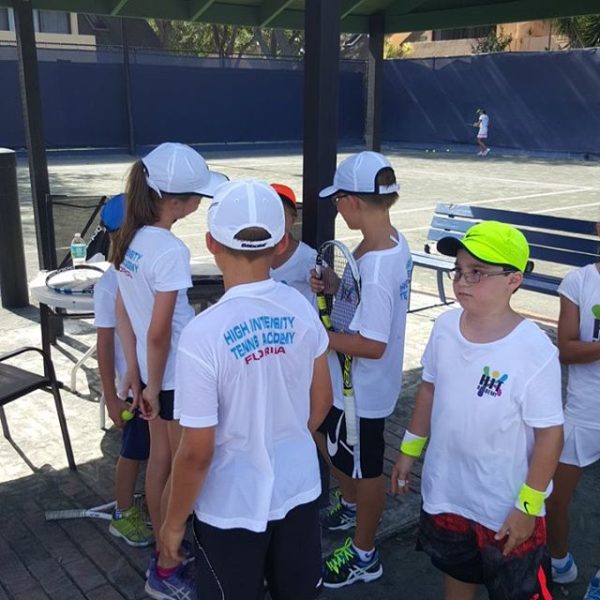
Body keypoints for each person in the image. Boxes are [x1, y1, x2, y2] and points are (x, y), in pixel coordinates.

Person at [159, 180, 332, 600]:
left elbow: (196, 452)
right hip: (299, 489)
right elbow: (322, 402)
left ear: (210, 243)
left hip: (229, 506)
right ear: (281, 244)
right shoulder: (300, 308)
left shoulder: (203, 334)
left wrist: (172, 523)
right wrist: (282, 434)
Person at [392, 221, 564, 600]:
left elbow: (550, 435)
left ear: (514, 280)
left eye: (477, 273)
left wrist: (527, 505)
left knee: (519, 589)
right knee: (458, 574)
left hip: (505, 506)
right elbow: (429, 389)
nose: (462, 281)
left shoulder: (535, 351)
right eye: (459, 271)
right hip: (448, 492)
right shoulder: (444, 327)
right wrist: (408, 450)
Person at [112, 142, 226, 599]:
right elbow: (159, 331)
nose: (201, 202)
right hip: (175, 378)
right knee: (182, 470)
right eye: (198, 195)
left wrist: (134, 374)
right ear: (177, 201)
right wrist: (154, 386)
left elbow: (124, 311)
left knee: (162, 463)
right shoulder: (170, 250)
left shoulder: (131, 238)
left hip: (158, 375)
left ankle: (166, 548)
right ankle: (166, 565)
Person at [311, 151, 413, 588]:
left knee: (366, 470)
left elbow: (372, 344)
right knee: (328, 440)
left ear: (352, 201)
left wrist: (317, 339)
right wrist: (336, 287)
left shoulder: (375, 266)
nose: (336, 205)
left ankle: (365, 554)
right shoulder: (389, 241)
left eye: (338, 199)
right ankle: (350, 507)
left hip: (364, 391)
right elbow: (368, 308)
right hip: (354, 386)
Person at [94, 193, 152, 548]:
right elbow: (103, 345)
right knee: (133, 451)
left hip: (151, 379)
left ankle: (148, 503)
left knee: (153, 449)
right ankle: (123, 513)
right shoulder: (109, 285)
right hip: (132, 387)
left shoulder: (144, 269)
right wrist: (113, 398)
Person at [546, 232, 600, 586]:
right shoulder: (579, 281)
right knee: (554, 497)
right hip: (584, 411)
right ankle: (559, 562)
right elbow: (566, 349)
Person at [269, 183, 316, 305]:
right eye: (269, 214)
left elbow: (323, 282)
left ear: (293, 219)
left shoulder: (308, 257)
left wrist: (323, 281)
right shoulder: (252, 254)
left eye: (281, 215)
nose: (275, 220)